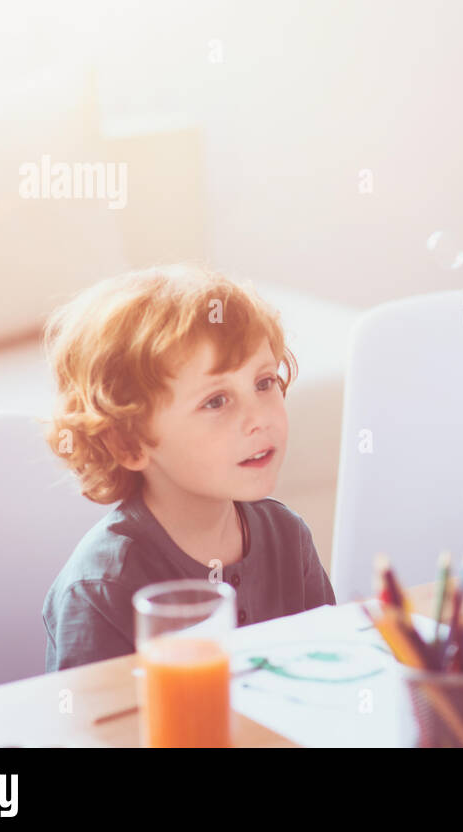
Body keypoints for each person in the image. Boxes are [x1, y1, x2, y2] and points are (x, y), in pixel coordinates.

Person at [41, 263, 335, 671]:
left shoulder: (287, 537)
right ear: (129, 443)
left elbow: (327, 674)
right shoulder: (101, 587)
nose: (259, 418)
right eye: (216, 401)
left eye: (264, 383)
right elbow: (99, 732)